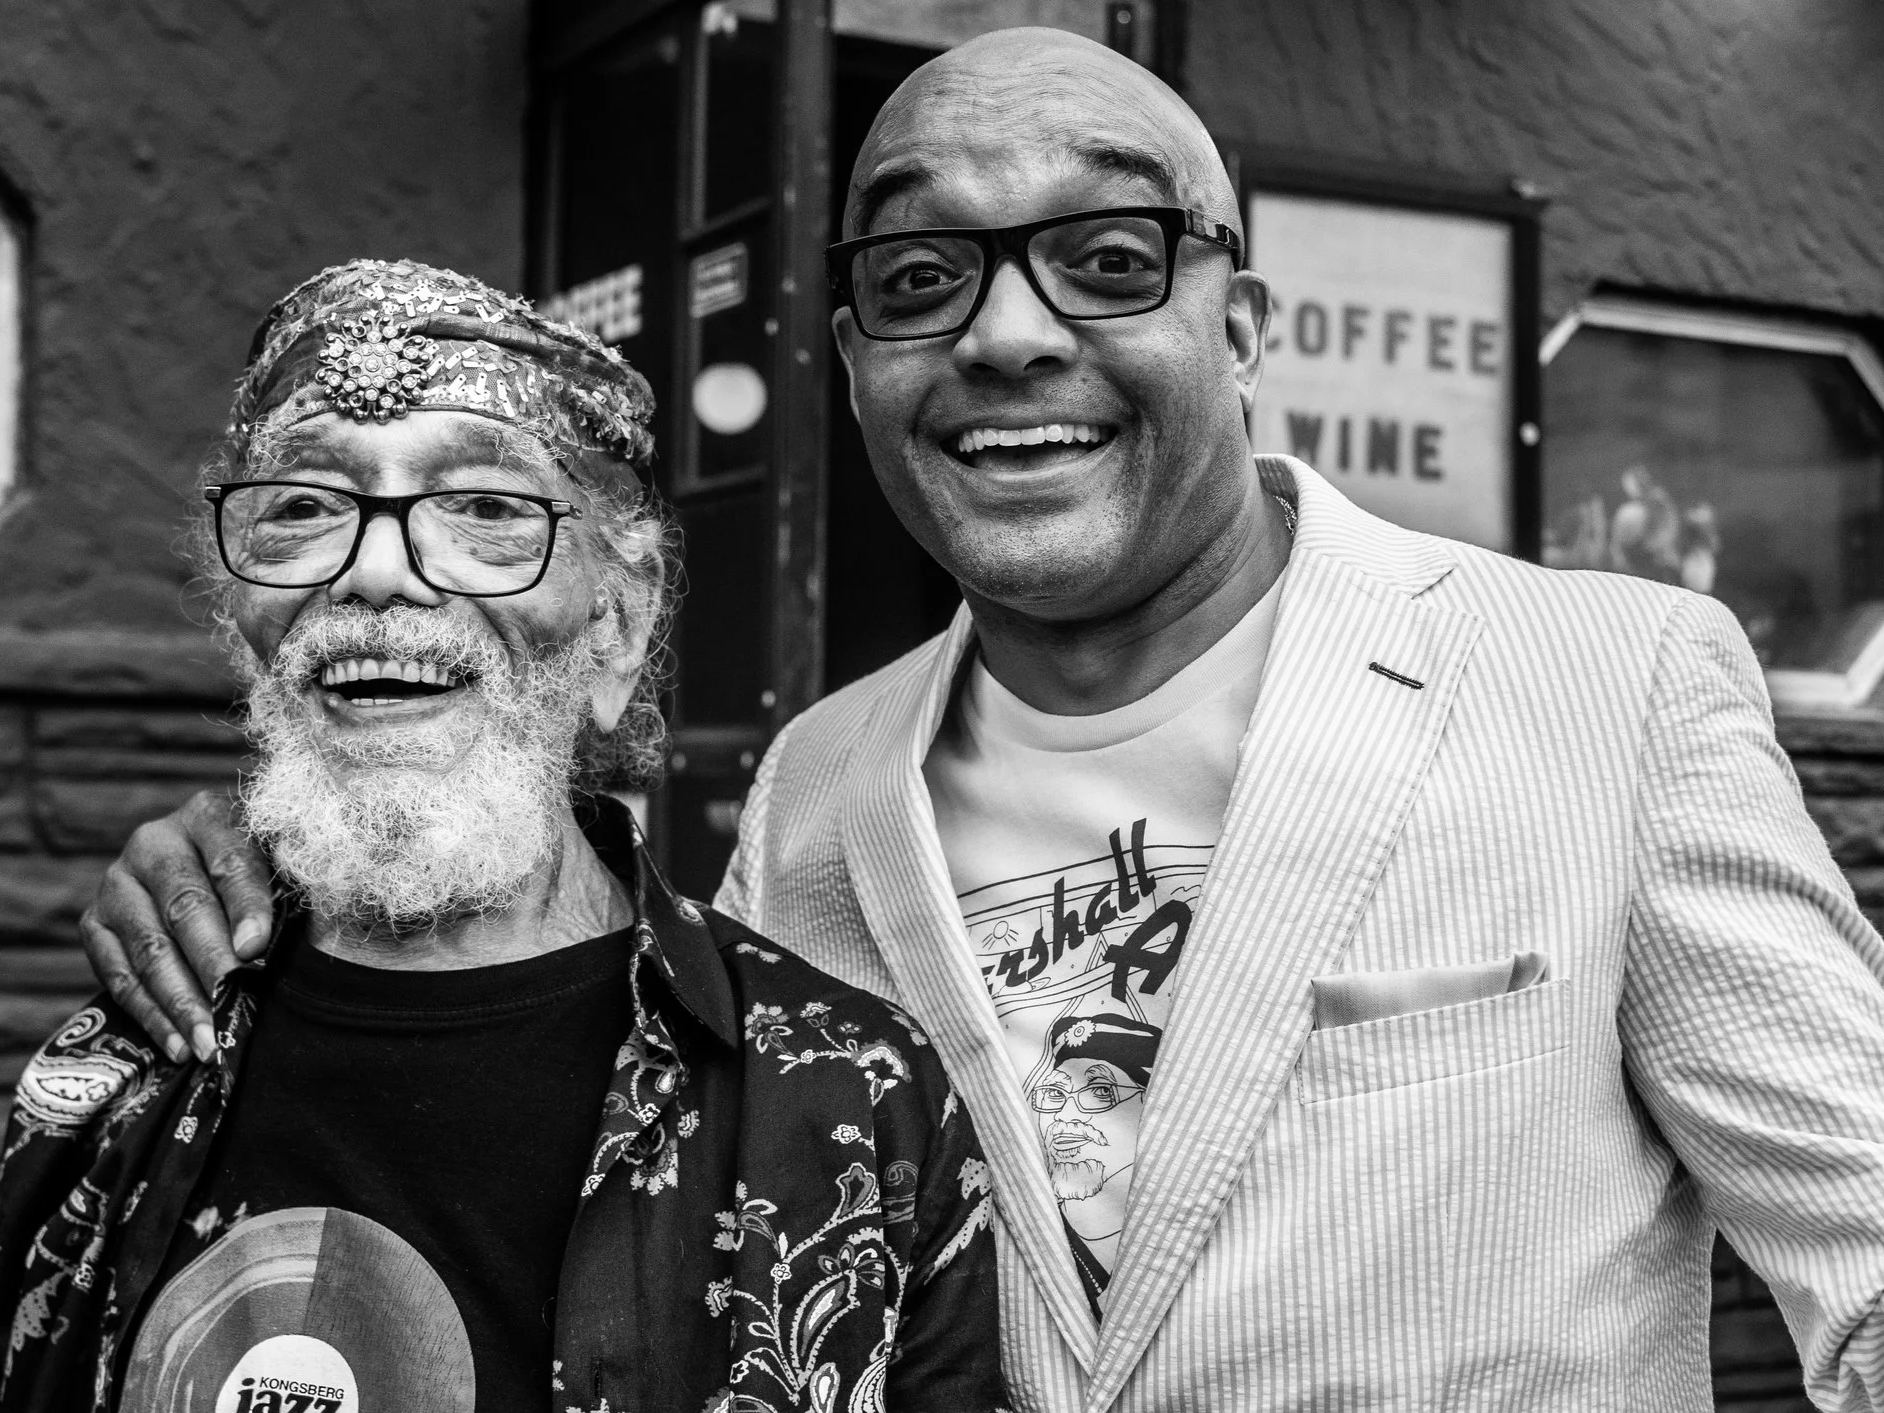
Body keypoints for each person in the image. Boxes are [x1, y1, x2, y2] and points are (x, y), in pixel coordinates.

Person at [74, 28, 1884, 1413]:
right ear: (855, 362)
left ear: (1239, 320)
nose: (1007, 337)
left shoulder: (1607, 687)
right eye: (919, 278)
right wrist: (300, 850)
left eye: (1104, 255)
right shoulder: (819, 781)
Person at [0, 258, 1004, 1413]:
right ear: (243, 616)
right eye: (305, 508)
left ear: (617, 624)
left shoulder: (849, 1102)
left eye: (485, 509)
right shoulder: (120, 1066)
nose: (376, 572)